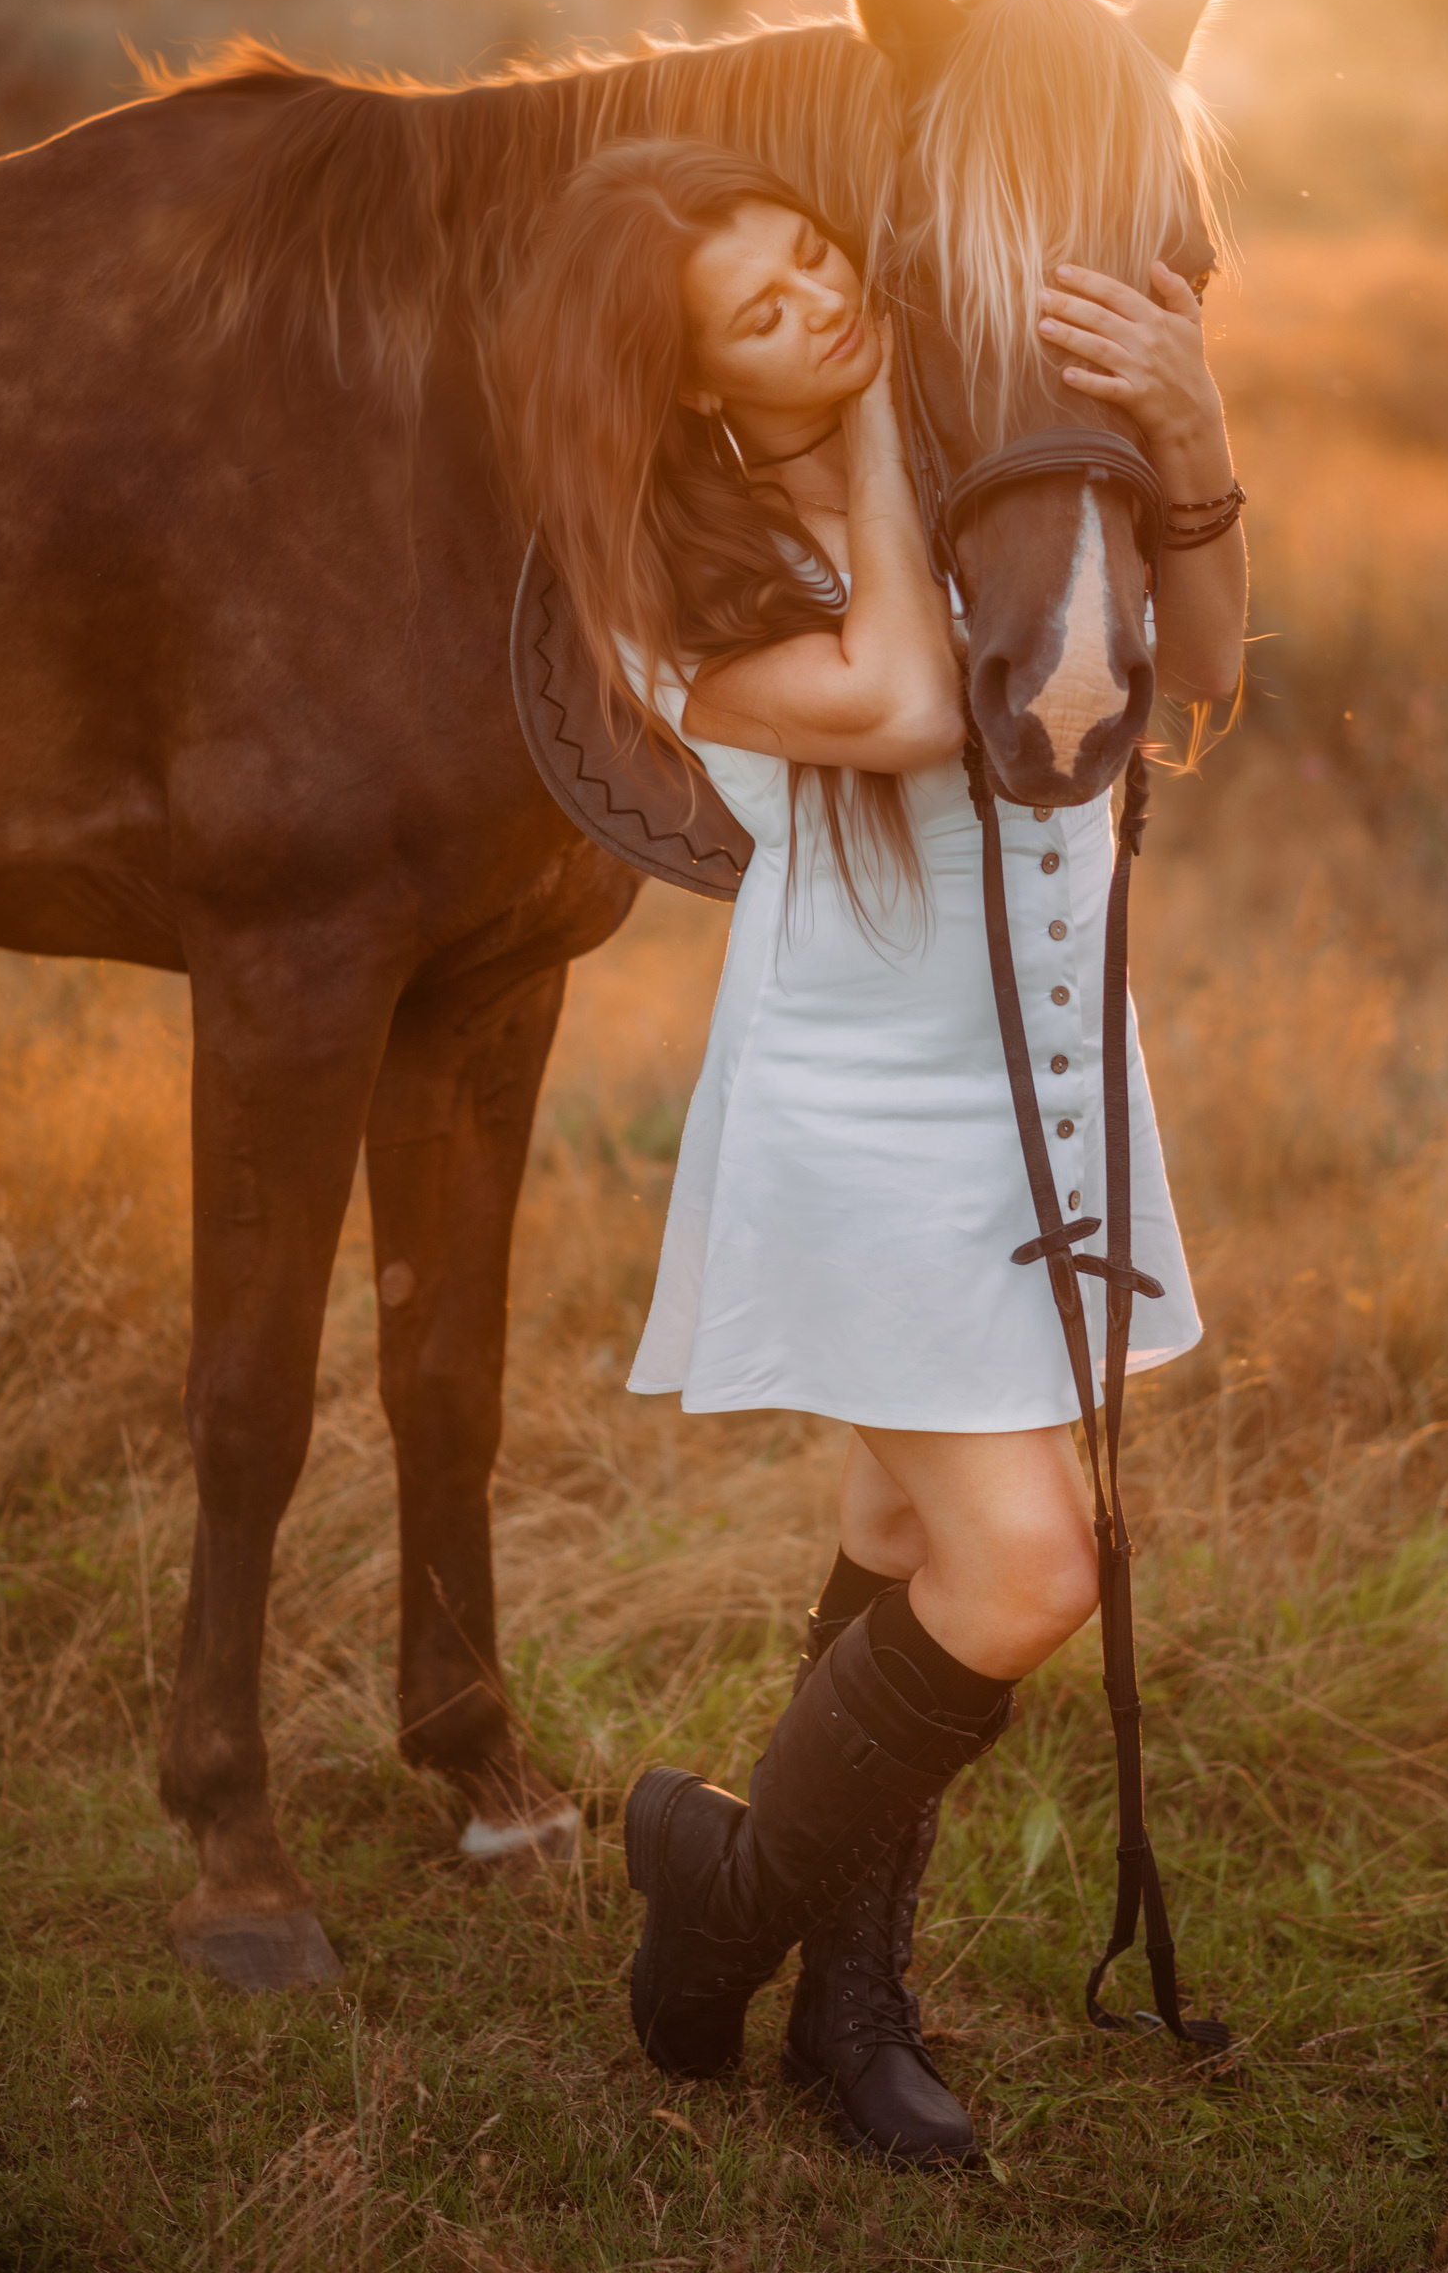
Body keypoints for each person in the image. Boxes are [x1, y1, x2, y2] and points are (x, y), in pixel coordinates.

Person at [516, 138, 1246, 2168]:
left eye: (823, 261)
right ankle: (718, 1893)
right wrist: (869, 443)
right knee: (1026, 1570)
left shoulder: (969, 435)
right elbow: (918, 697)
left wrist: (1184, 425)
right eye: (763, 314)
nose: (828, 306)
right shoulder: (664, 582)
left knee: (909, 1533)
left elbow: (1196, 681)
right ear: (686, 389)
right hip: (865, 1104)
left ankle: (844, 2002)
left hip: (1048, 1060)